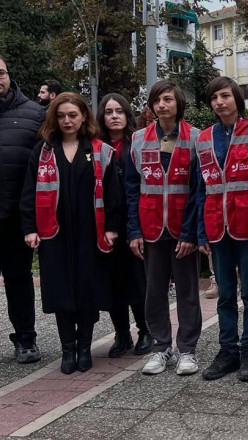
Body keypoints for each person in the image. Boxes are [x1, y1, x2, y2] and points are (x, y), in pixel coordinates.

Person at [20, 92, 121, 374]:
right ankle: (68, 350)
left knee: (87, 290)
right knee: (62, 291)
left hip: (91, 232)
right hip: (55, 233)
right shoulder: (43, 151)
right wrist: (29, 228)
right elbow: (29, 192)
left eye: (73, 115)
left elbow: (113, 194)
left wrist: (113, 228)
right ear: (54, 118)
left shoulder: (100, 150)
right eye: (61, 115)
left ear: (84, 117)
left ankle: (85, 347)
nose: (67, 121)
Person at [195, 76, 248, 382]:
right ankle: (227, 350)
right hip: (217, 227)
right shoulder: (203, 139)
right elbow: (201, 190)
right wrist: (201, 233)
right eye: (214, 97)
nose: (220, 102)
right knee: (225, 294)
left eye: (225, 96)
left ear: (237, 99)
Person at [126, 79, 202, 376]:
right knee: (154, 290)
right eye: (157, 100)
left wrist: (191, 232)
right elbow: (132, 188)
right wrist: (134, 230)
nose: (162, 105)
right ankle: (161, 347)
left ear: (178, 102)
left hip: (182, 226)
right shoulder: (139, 139)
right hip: (150, 226)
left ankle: (187, 349)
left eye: (168, 99)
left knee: (187, 291)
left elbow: (198, 190)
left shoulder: (196, 137)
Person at [97, 93, 152, 358]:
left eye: (119, 111)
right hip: (105, 225)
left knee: (136, 282)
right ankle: (121, 334)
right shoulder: (94, 147)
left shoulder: (136, 144)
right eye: (109, 112)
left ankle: (145, 330)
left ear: (127, 115)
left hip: (132, 223)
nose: (114, 116)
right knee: (112, 283)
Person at [0, 55, 44, 364]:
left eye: (0, 72)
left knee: (18, 278)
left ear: (8, 74)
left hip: (15, 215)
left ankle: (26, 339)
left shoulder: (34, 114)